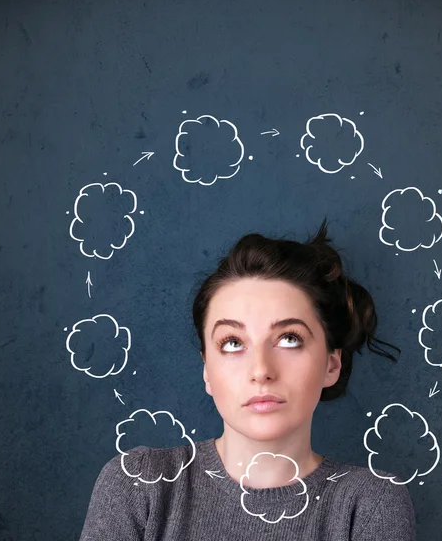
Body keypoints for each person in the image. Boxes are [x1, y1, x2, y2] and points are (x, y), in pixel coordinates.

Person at [79, 217, 416, 540]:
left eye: (289, 339)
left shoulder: (369, 504)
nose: (260, 370)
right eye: (233, 343)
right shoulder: (138, 484)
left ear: (331, 364)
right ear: (207, 371)